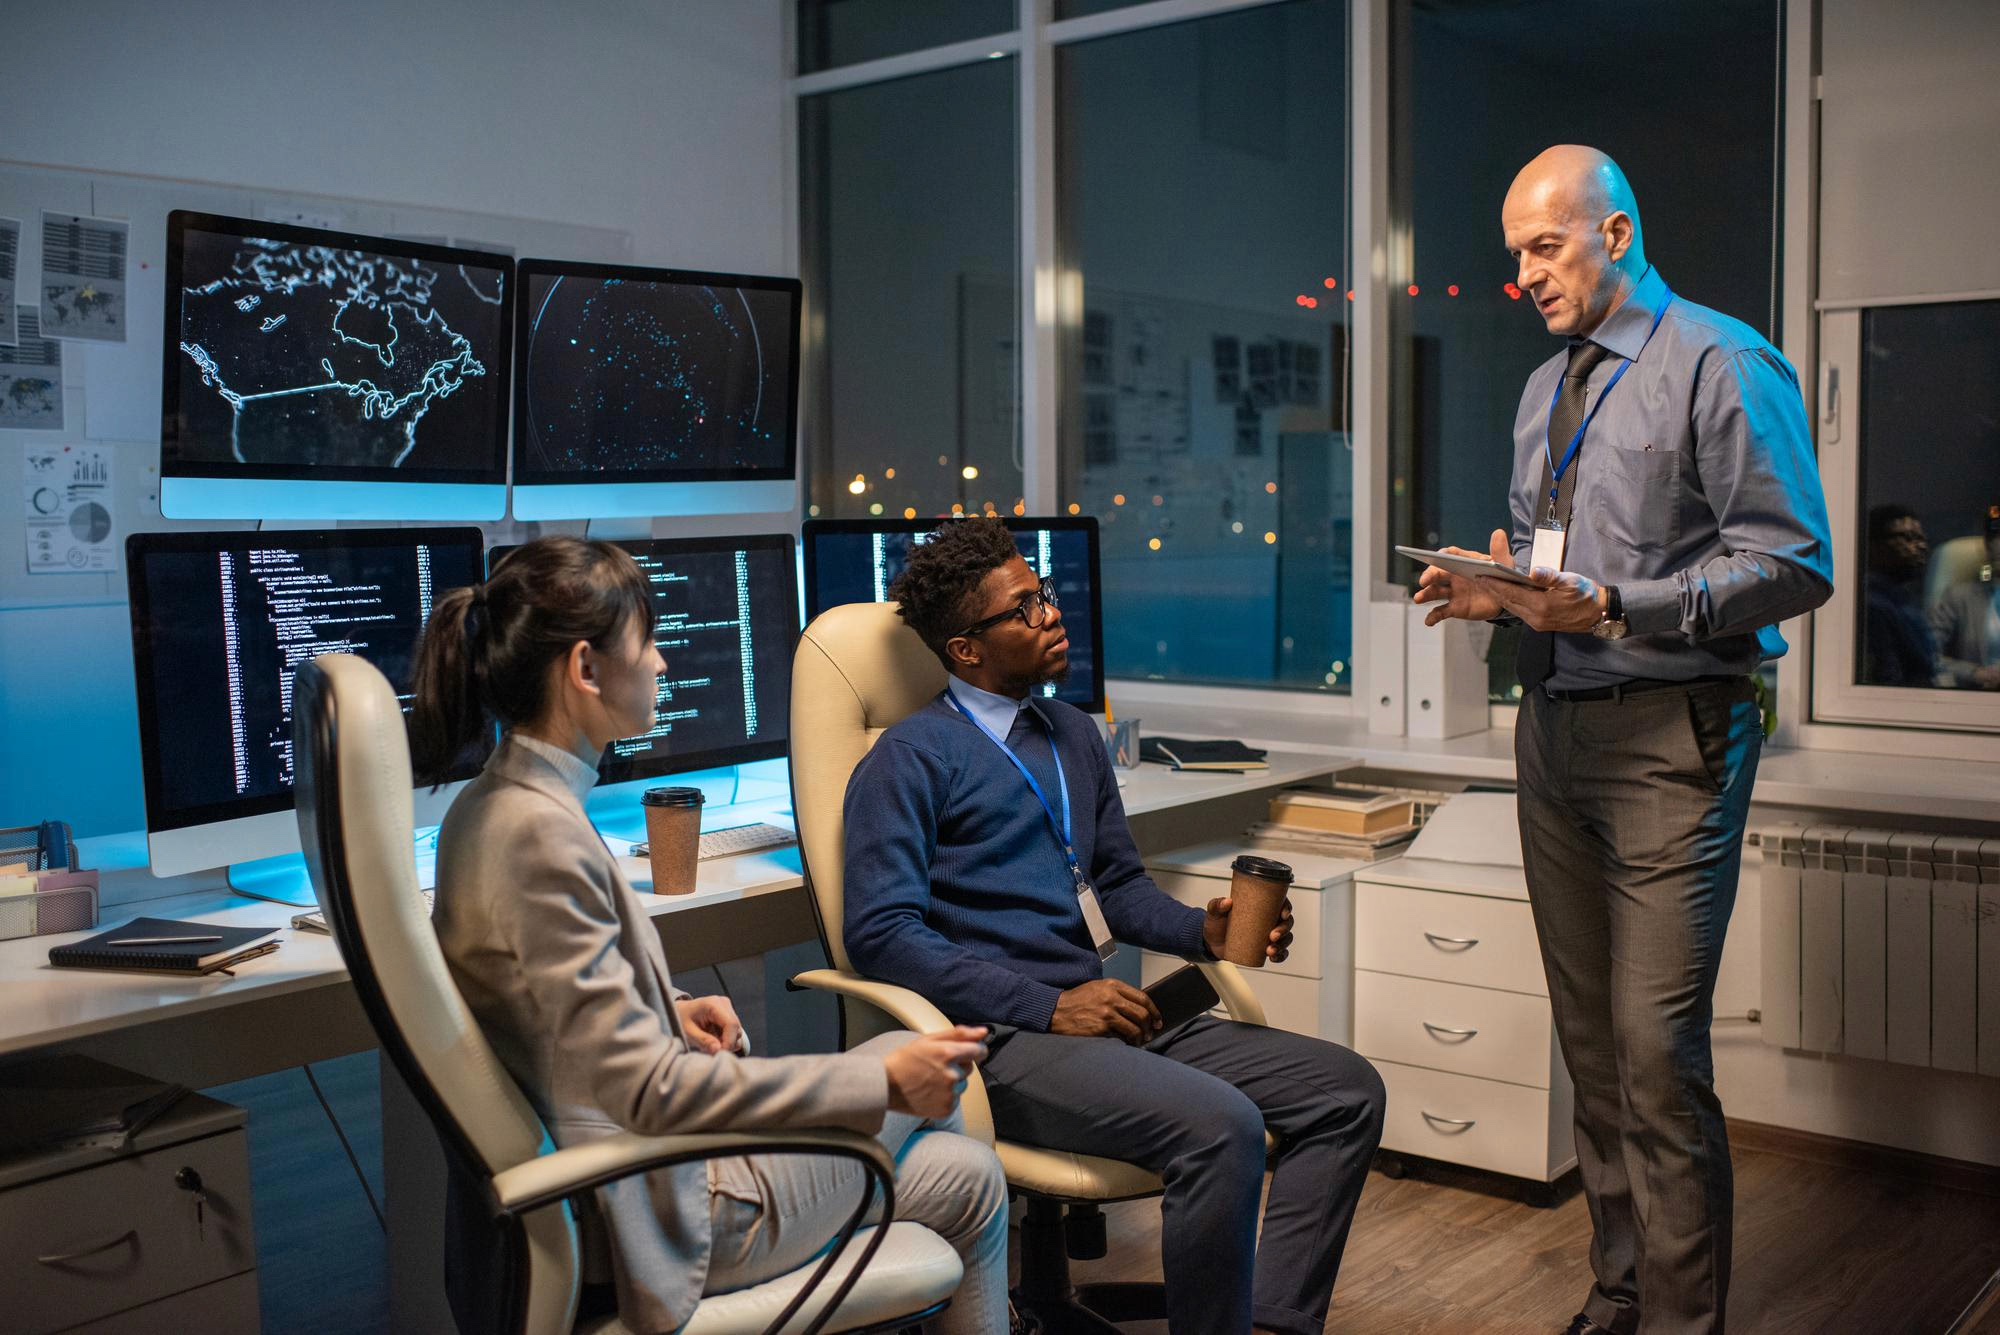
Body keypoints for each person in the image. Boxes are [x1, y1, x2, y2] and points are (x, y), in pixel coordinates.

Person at [1412, 146, 1833, 1335]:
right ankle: (1618, 1296)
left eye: (1542, 248)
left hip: (1670, 739)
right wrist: (1495, 590)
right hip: (1551, 731)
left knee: (1655, 1060)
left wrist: (1615, 608)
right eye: (1512, 258)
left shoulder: (1721, 360)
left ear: (1616, 233)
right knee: (1591, 1050)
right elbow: (1559, 562)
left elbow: (1795, 563)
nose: (1525, 277)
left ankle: (1679, 1325)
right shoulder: (1545, 390)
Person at [407, 535, 1010, 1335]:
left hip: (636, 1172)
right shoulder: (537, 835)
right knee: (924, 1074)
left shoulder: (497, 805)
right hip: (666, 1207)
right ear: (586, 669)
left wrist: (668, 1007)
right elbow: (650, 1091)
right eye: (646, 643)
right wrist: (881, 1086)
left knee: (968, 1174)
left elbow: (550, 1005)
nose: (660, 664)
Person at [842, 517, 1385, 1335]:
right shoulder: (909, 759)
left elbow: (1118, 886)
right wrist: (1052, 1007)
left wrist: (1201, 931)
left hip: (1115, 1016)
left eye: (1046, 596)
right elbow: (883, 934)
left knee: (1346, 1092)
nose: (1052, 614)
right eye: (1025, 608)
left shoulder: (1071, 734)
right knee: (1222, 1126)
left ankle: (1269, 1322)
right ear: (966, 649)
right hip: (1009, 1042)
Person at [1861, 503, 1942, 687]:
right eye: (1909, 538)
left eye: (1922, 538)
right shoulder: (1872, 606)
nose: (1921, 546)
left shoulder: (1901, 600)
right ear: (1874, 546)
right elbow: (1889, 679)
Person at [1930, 507, 2000, 690]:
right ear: (1987, 546)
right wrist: (1975, 673)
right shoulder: (1960, 597)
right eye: (1994, 538)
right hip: (1976, 702)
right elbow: (1927, 655)